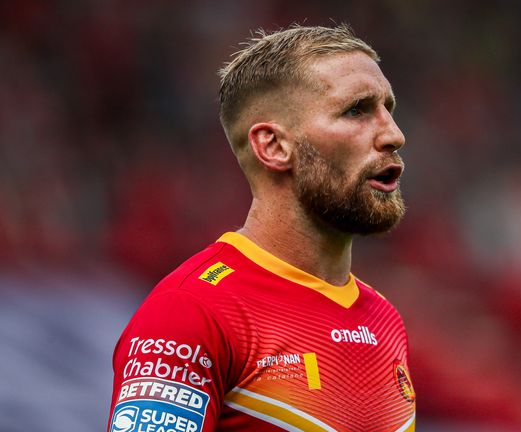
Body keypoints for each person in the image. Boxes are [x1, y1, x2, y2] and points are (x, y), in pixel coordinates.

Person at [107, 24, 415, 432]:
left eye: (387, 108)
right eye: (356, 110)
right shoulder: (192, 312)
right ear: (273, 146)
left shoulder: (384, 320)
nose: (394, 134)